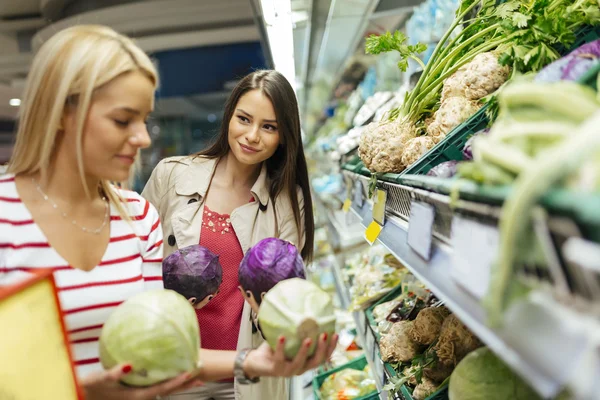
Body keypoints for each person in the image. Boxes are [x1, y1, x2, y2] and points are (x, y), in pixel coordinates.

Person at [0, 25, 336, 400]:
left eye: (269, 127)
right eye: (123, 120)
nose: (144, 138)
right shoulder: (10, 218)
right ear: (61, 111)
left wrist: (259, 351)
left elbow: (151, 335)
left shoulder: (137, 219)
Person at [142, 69, 326, 400]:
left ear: (284, 136)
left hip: (247, 374)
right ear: (230, 117)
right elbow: (138, 268)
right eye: (244, 119)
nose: (252, 135)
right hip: (176, 367)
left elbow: (286, 299)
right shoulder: (170, 177)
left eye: (269, 127)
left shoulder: (287, 202)